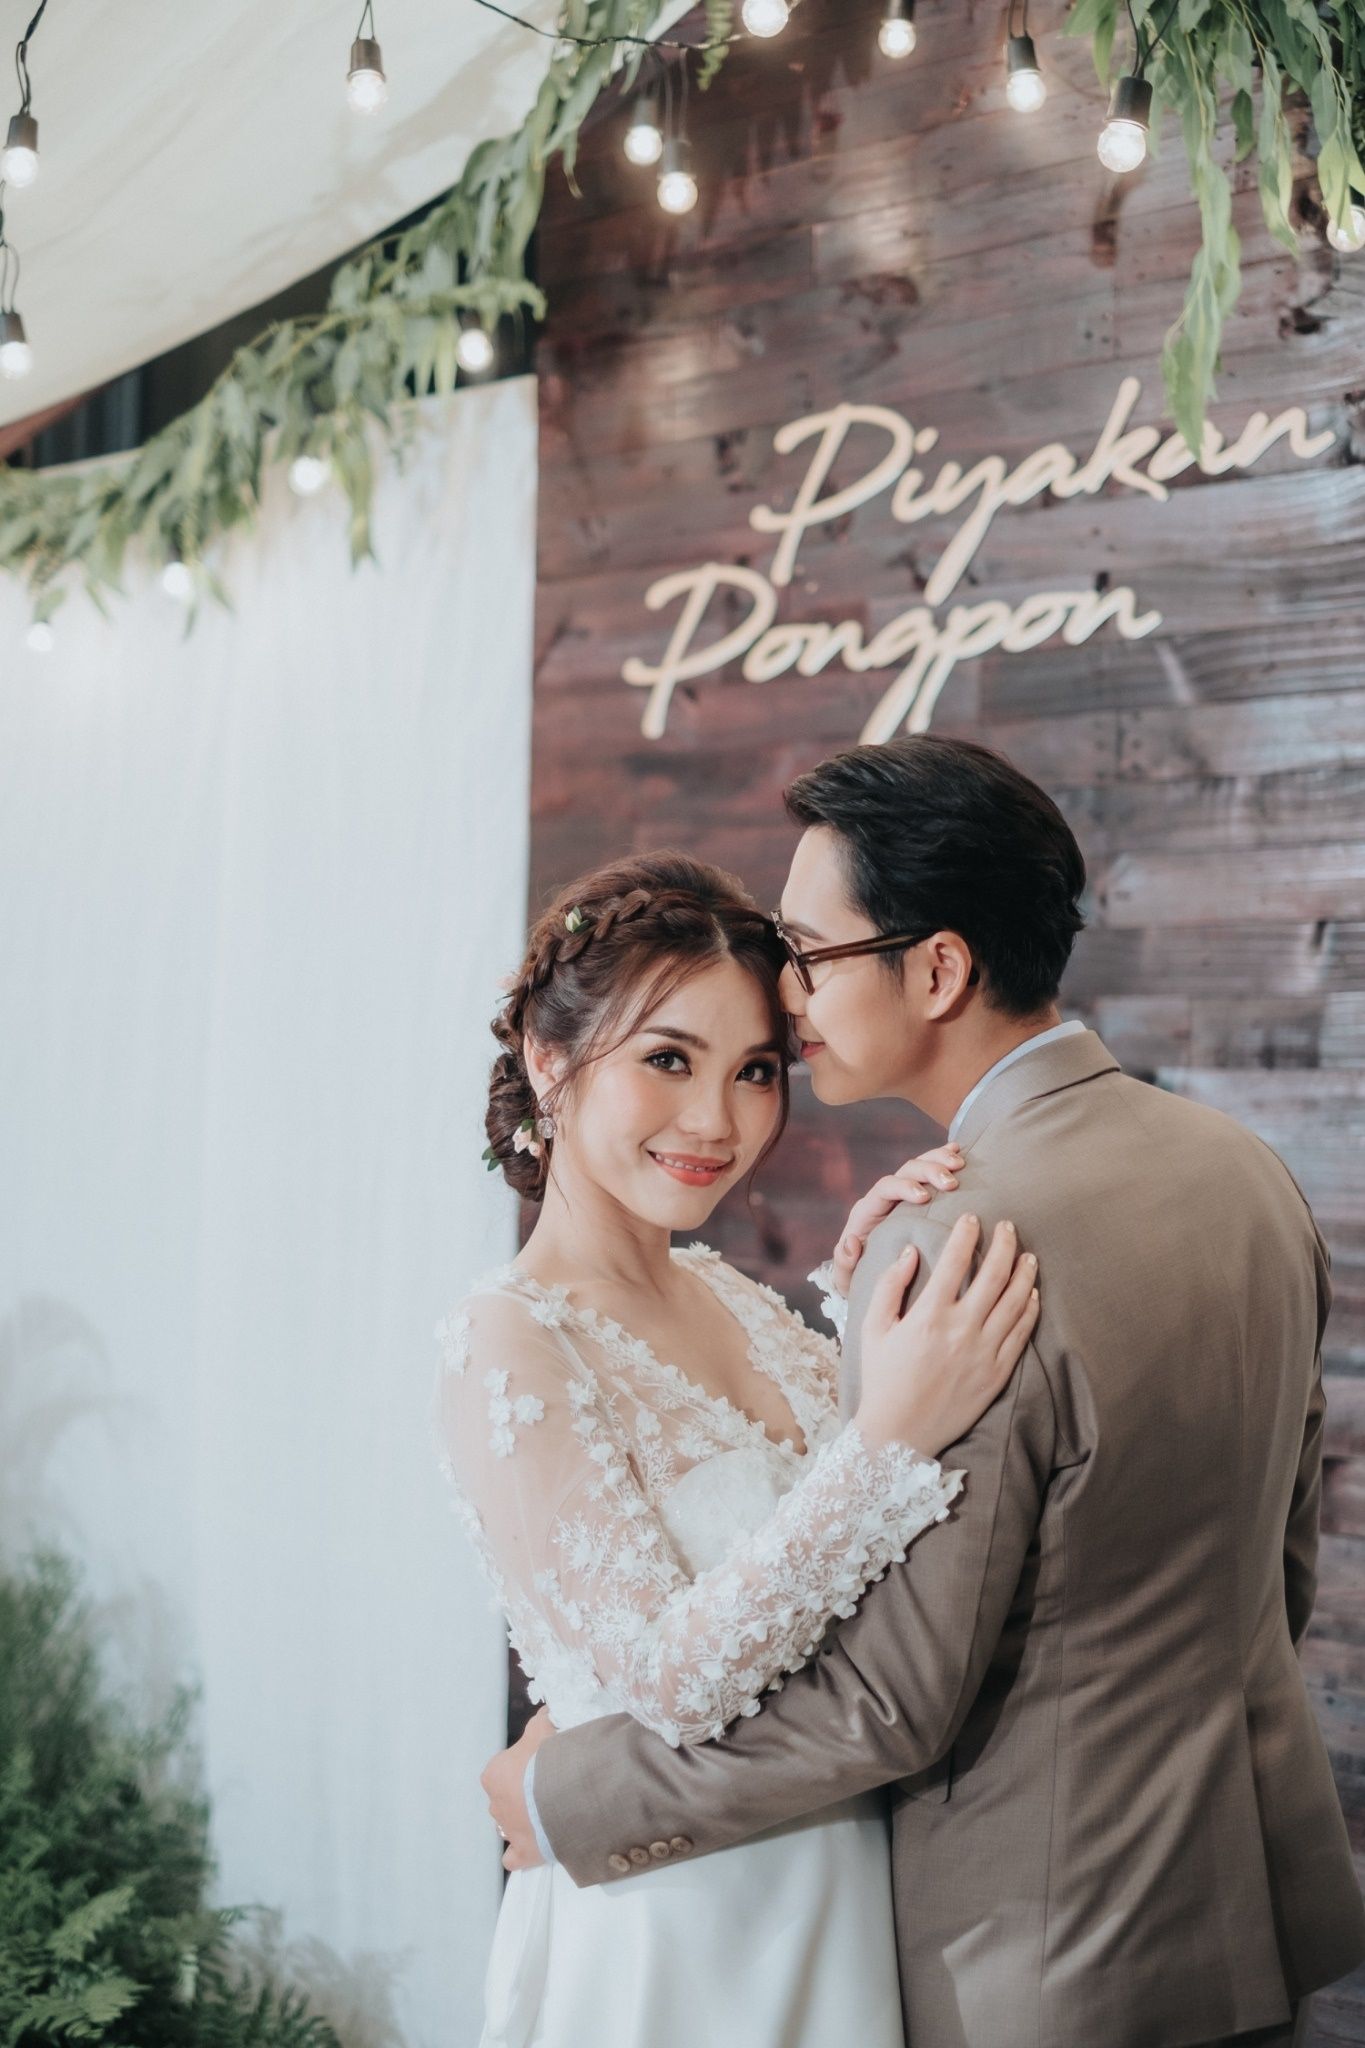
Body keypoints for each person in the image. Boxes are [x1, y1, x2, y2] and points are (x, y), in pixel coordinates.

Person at [486, 738, 1365, 2048]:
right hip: (1249, 1908)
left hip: (1037, 1957)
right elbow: (1277, 1564)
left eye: (808, 953)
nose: (788, 997)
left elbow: (888, 1699)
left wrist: (566, 1798)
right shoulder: (1244, 1171)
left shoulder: (955, 1246)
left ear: (939, 968)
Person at [431, 850, 1040, 2048]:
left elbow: (863, 1559)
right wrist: (889, 1431)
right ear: (548, 1058)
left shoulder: (743, 1298)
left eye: (756, 1070)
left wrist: (866, 1287)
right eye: (668, 1058)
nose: (717, 1120)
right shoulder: (508, 1336)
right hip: (679, 1923)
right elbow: (671, 1678)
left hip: (841, 1888)